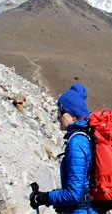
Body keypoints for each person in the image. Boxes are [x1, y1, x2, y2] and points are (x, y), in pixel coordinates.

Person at [29, 83, 98, 214]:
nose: (58, 117)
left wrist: (44, 197)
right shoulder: (85, 136)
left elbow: (74, 194)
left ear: (73, 115)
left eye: (61, 112)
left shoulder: (77, 142)